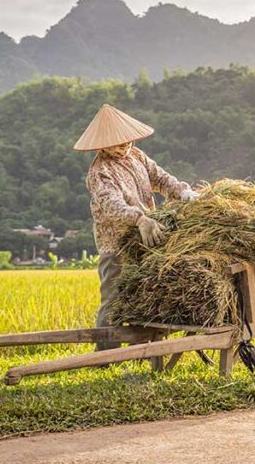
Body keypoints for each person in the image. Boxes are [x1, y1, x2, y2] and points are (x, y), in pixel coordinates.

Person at [73, 104, 199, 349]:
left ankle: (145, 348)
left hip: (147, 236)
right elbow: (112, 206)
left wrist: (183, 192)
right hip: (118, 243)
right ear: (102, 145)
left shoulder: (137, 156)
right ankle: (105, 355)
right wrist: (139, 219)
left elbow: (159, 177)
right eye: (118, 144)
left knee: (148, 290)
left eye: (127, 141)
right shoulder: (100, 172)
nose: (125, 146)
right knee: (113, 298)